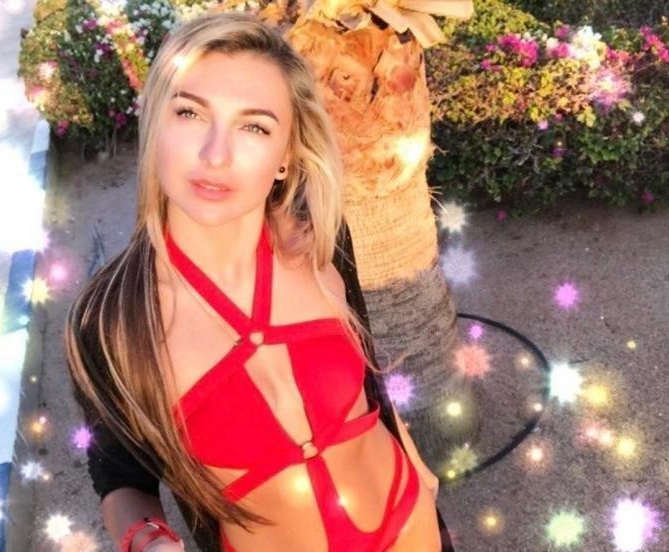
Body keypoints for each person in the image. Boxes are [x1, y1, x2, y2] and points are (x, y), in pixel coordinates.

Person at [65, 11, 454, 552]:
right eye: (190, 113)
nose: (215, 155)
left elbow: (367, 377)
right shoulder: (111, 320)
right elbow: (119, 479)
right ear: (156, 124)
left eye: (254, 127)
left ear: (285, 156)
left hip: (408, 523)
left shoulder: (320, 237)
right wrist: (148, 540)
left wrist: (420, 470)